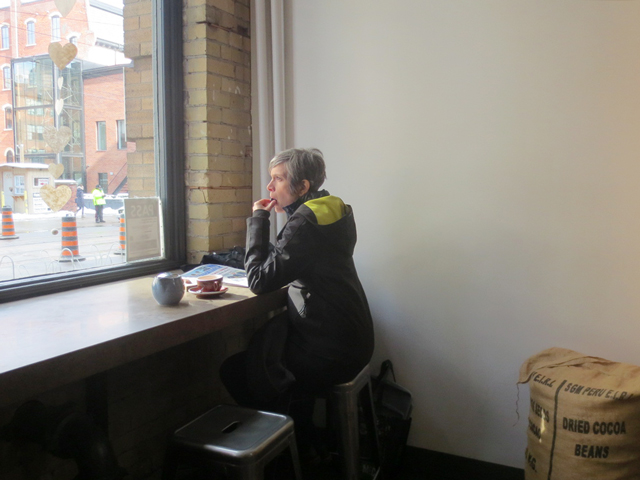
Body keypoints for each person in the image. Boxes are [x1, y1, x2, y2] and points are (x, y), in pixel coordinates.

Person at [219, 148, 374, 462]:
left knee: (236, 370)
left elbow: (258, 280)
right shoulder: (334, 208)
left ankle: (285, 455)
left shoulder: (305, 221)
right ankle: (303, 441)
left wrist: (259, 218)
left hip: (332, 351)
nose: (269, 187)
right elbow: (298, 260)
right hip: (354, 337)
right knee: (275, 350)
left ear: (303, 186)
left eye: (278, 179)